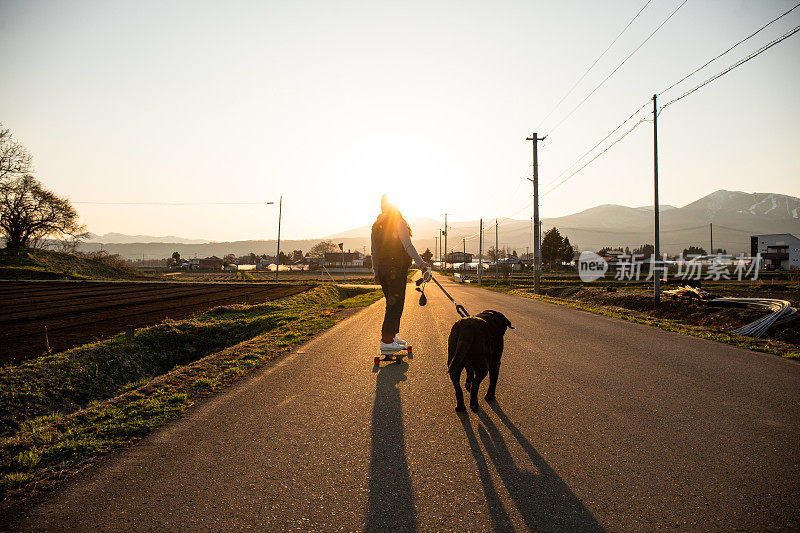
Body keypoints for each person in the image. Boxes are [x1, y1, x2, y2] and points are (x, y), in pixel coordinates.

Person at [371, 194, 430, 352]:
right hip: (396, 269)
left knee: (391, 304)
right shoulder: (398, 222)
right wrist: (421, 264)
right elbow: (407, 245)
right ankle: (387, 341)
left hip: (384, 270)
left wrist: (376, 271)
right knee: (396, 305)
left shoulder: (376, 226)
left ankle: (392, 337)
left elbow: (374, 252)